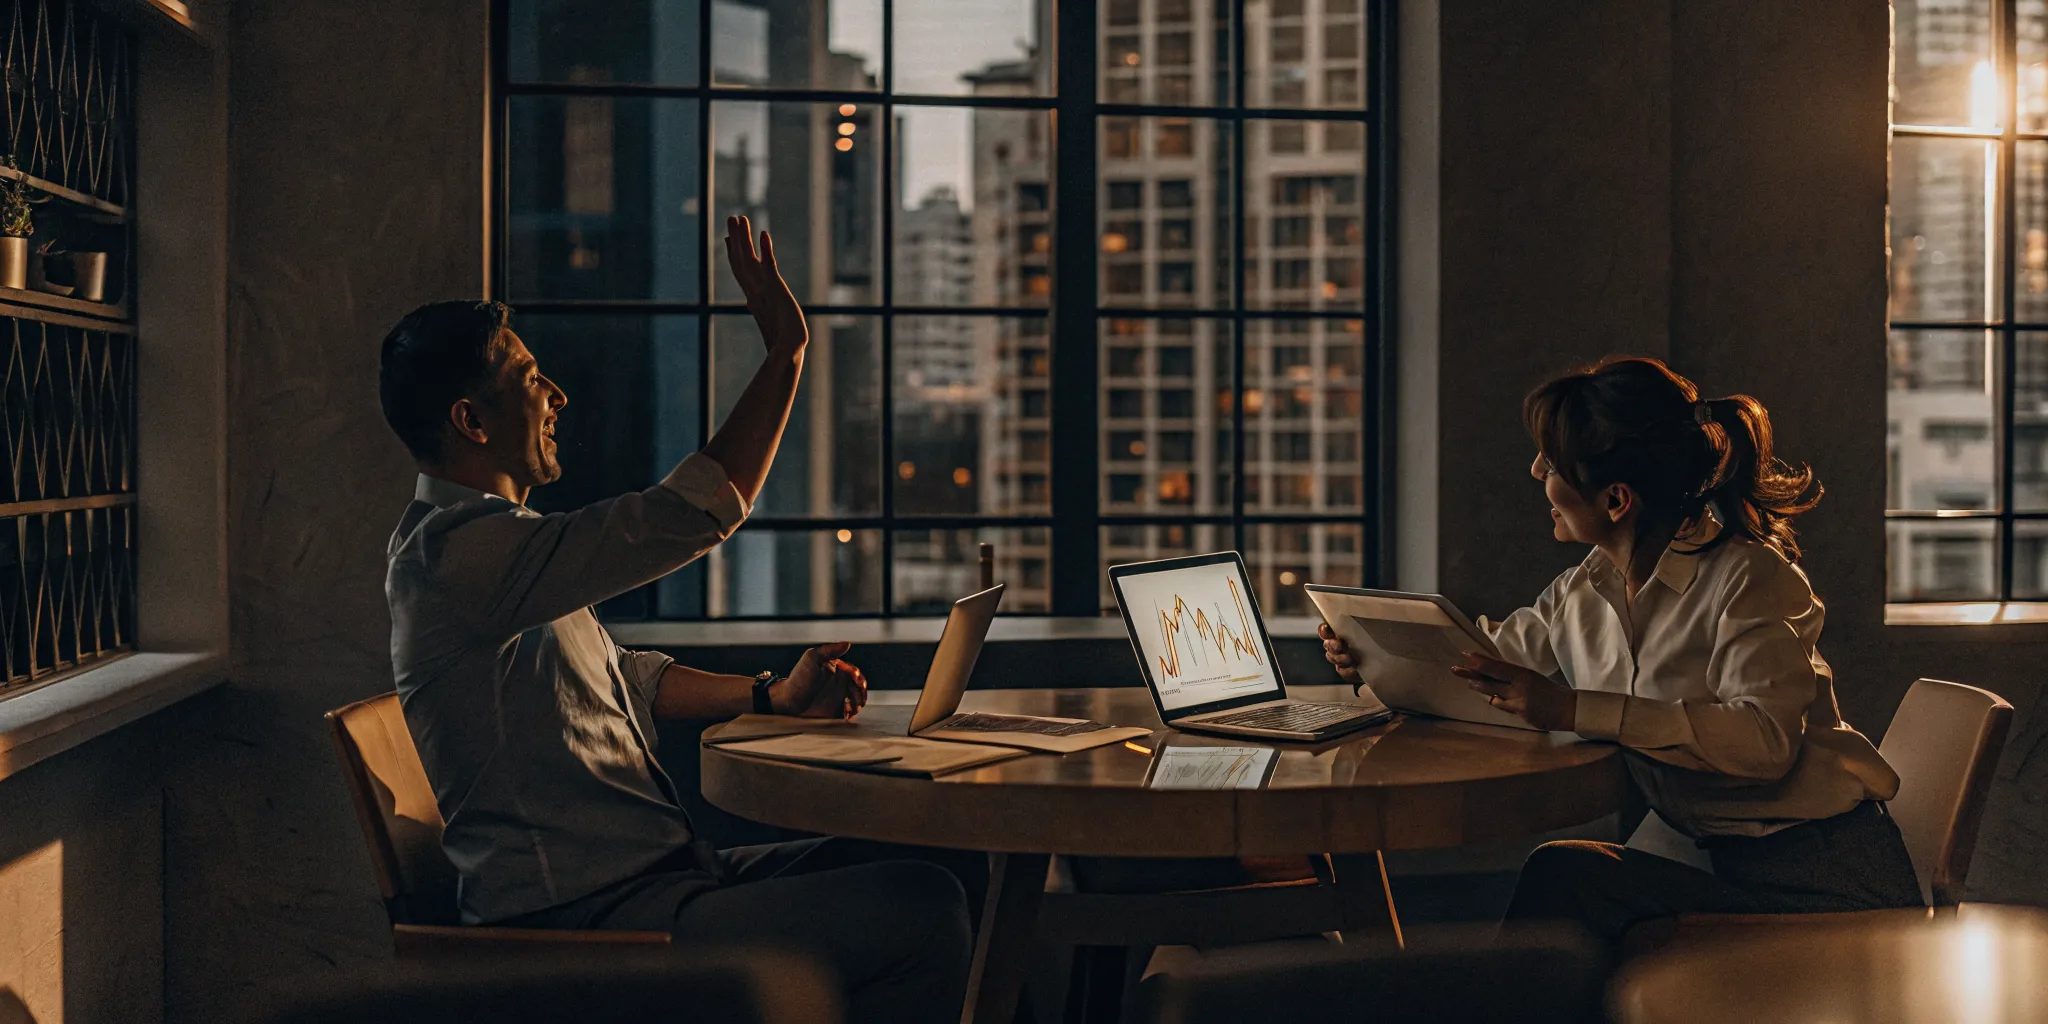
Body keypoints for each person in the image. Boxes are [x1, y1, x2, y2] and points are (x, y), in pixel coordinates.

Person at [380, 217, 974, 1024]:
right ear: (471, 422)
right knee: (923, 909)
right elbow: (688, 513)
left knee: (947, 864)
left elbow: (624, 678)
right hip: (585, 926)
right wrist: (784, 356)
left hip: (657, 882)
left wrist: (770, 697)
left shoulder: (498, 551)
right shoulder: (458, 558)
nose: (556, 395)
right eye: (529, 379)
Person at [1318, 357, 1920, 955]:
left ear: (1616, 500)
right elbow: (1479, 662)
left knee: (1569, 883)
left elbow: (1764, 742)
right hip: (1719, 862)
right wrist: (1371, 657)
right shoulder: (1585, 589)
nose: (1534, 472)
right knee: (1569, 887)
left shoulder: (1749, 576)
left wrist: (1576, 707)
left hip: (1824, 884)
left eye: (1551, 463)